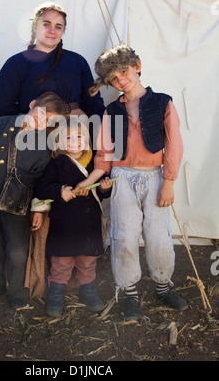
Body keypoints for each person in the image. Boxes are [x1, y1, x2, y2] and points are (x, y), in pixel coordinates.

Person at [74, 44, 188, 321]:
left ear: (136, 66)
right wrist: (88, 181)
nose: (120, 79)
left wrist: (169, 182)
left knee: (158, 237)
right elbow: (104, 155)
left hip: (155, 177)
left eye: (123, 71)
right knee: (123, 237)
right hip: (122, 178)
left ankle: (163, 286)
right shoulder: (111, 111)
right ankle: (130, 294)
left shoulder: (163, 102)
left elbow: (174, 145)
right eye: (113, 78)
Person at [0, 92, 66, 309]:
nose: (42, 121)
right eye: (41, 113)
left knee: (18, 249)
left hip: (19, 203)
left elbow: (42, 179)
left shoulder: (44, 145)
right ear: (31, 104)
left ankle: (18, 290)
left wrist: (39, 209)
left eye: (49, 121)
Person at [32, 117, 112, 317]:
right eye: (68, 138)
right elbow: (41, 187)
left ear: (86, 140)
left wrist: (105, 189)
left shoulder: (95, 162)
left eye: (79, 137)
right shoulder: (57, 164)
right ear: (59, 142)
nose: (75, 142)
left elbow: (100, 193)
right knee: (61, 263)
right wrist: (61, 191)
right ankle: (56, 296)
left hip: (88, 223)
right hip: (65, 223)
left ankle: (88, 291)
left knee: (87, 261)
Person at [0, 1, 105, 120]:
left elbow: (93, 101)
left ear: (63, 31)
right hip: (35, 132)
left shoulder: (77, 61)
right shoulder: (16, 63)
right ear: (35, 26)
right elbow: (2, 108)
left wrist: (100, 129)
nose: (52, 30)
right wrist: (28, 125)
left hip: (75, 131)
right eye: (46, 24)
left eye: (58, 27)